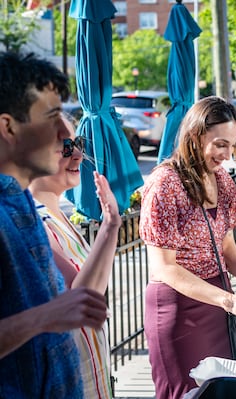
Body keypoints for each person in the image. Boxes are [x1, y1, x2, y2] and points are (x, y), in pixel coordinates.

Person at [139, 96, 236, 399]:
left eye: (232, 145)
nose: (226, 155)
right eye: (219, 144)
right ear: (195, 135)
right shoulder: (164, 183)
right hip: (178, 307)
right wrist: (231, 302)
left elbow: (227, 247)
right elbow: (164, 268)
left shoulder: (222, 180)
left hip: (217, 305)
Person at [0, 51, 108, 397]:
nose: (66, 135)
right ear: (8, 127)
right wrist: (43, 317)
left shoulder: (22, 205)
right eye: (51, 118)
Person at [29, 115, 120, 398]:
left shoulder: (61, 214)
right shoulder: (33, 222)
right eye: (66, 147)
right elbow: (80, 296)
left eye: (77, 143)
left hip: (89, 360)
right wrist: (110, 226)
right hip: (67, 373)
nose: (79, 154)